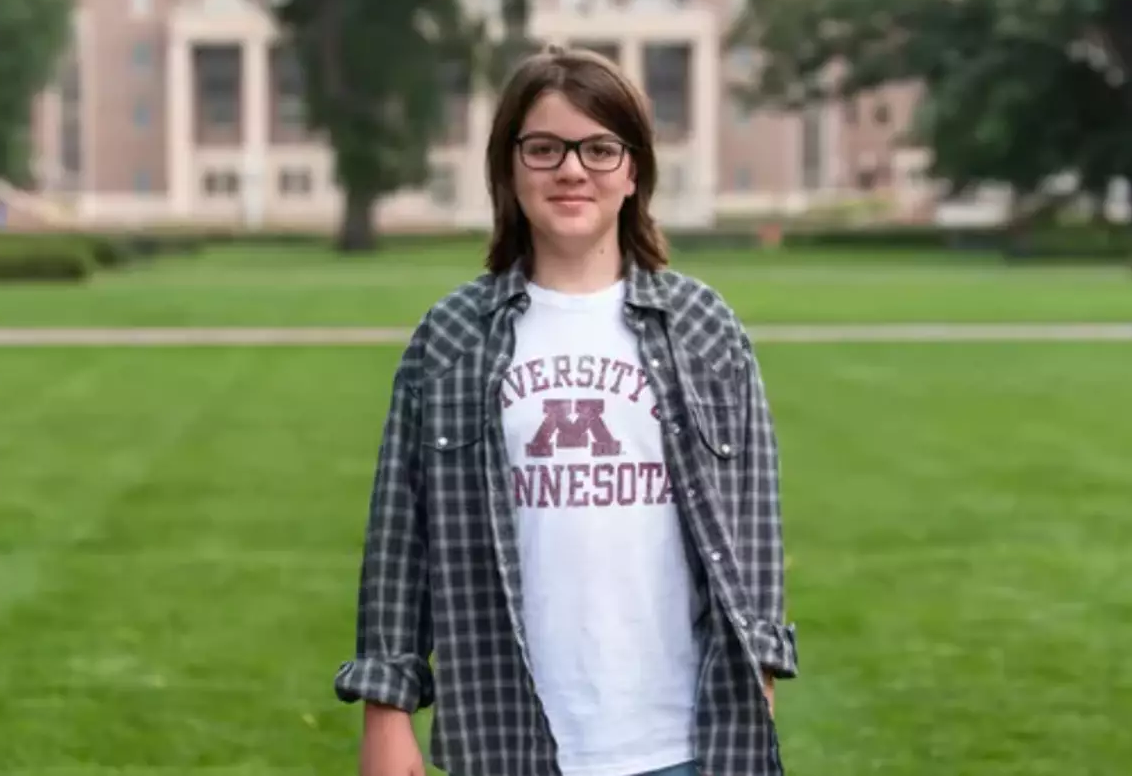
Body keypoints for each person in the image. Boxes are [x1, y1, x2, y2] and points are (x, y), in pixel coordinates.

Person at [335, 44, 797, 776]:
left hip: (685, 741)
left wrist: (761, 678)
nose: (573, 169)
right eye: (545, 147)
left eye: (599, 148)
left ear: (634, 169)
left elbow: (754, 525)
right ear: (509, 168)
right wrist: (387, 712)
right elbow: (401, 538)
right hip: (507, 737)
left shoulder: (704, 327)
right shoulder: (451, 336)